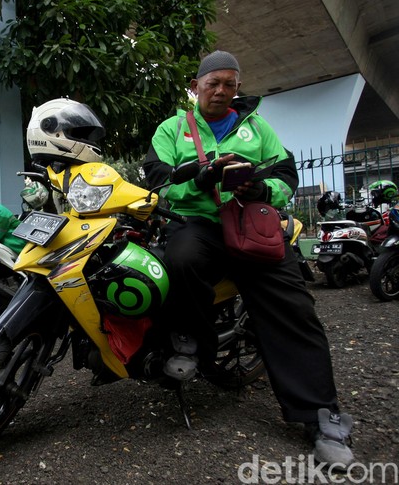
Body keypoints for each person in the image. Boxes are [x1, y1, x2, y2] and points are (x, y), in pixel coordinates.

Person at [143, 51, 355, 466]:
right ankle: (191, 346)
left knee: (293, 307)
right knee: (178, 261)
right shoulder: (172, 129)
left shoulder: (258, 128)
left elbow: (287, 176)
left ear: (238, 87)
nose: (221, 91)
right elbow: (158, 182)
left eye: (229, 84)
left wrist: (261, 190)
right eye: (212, 84)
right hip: (199, 225)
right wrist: (199, 180)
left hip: (250, 225)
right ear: (196, 87)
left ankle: (321, 417)